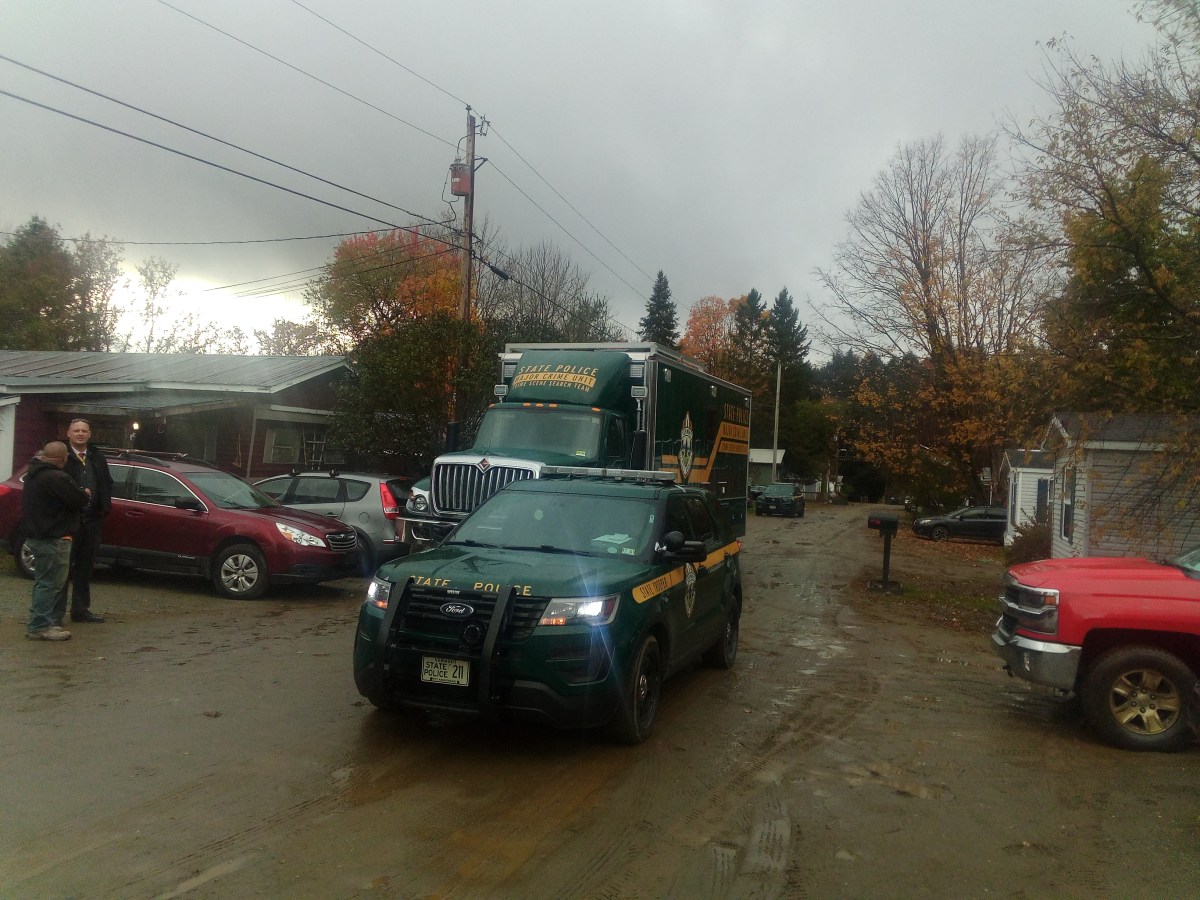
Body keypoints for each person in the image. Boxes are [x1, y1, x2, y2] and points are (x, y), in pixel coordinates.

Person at [24, 442, 89, 641]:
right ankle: (40, 625)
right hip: (54, 537)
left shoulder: (32, 475)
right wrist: (84, 494)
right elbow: (78, 500)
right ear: (64, 458)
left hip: (37, 535)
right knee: (51, 583)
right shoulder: (57, 477)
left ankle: (42, 621)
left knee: (43, 581)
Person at [53, 418, 114, 624]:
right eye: (76, 430)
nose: (80, 434)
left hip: (92, 520)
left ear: (90, 434)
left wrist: (105, 506)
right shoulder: (61, 457)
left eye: (84, 431)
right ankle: (55, 614)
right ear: (68, 433)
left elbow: (106, 483)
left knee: (86, 568)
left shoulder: (97, 457)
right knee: (63, 568)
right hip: (68, 520)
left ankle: (80, 610)